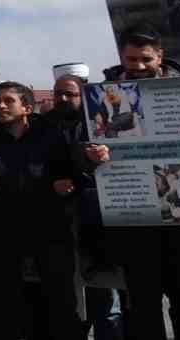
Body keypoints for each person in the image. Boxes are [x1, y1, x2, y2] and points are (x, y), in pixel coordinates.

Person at [85, 29, 180, 340]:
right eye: (131, 58)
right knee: (141, 305)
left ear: (160, 57)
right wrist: (93, 154)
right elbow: (82, 148)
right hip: (134, 216)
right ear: (121, 57)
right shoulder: (100, 96)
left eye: (146, 59)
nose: (138, 65)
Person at [0, 82, 79, 340]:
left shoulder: (51, 135)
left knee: (58, 302)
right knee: (8, 305)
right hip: (4, 231)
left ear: (27, 107)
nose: (1, 106)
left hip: (49, 230)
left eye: (9, 101)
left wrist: (66, 185)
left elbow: (71, 172)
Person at [48, 62, 124, 340]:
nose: (63, 99)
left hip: (98, 222)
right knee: (71, 301)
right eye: (58, 94)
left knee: (105, 297)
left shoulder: (103, 125)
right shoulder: (46, 127)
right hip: (62, 223)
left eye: (70, 94)